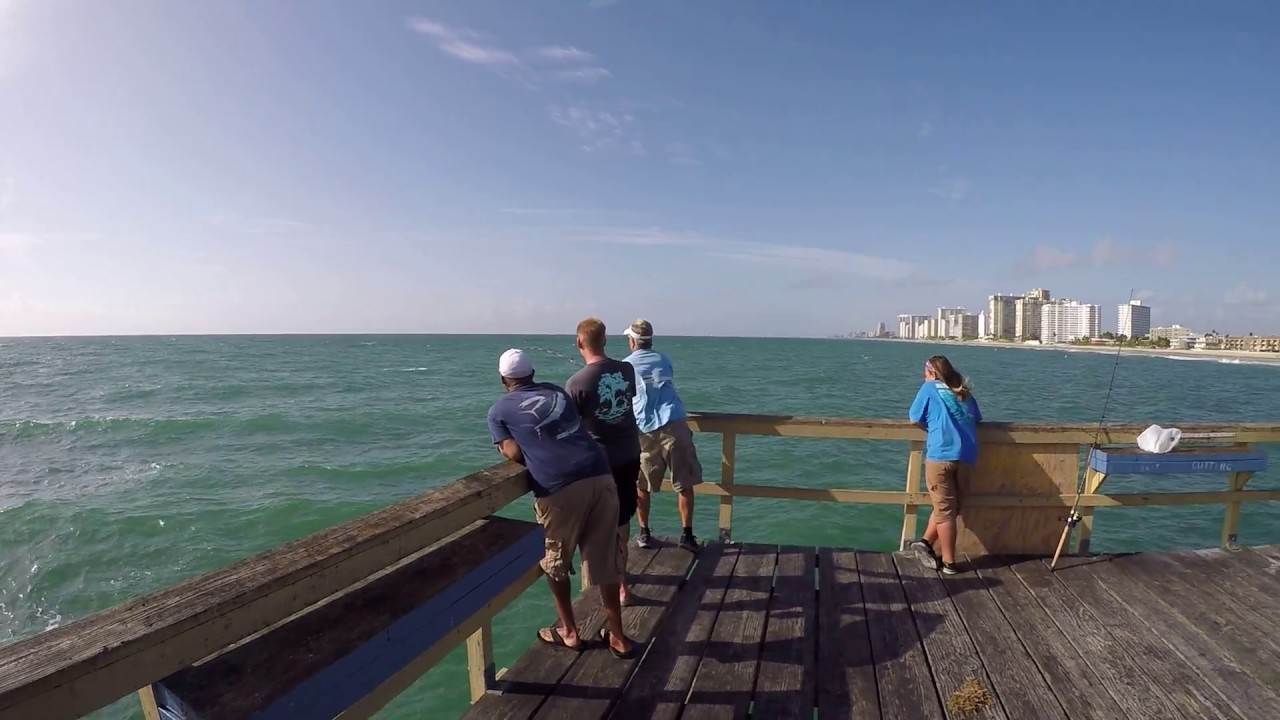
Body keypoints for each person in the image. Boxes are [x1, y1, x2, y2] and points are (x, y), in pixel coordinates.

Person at [486, 348, 634, 658]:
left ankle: (569, 632)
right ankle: (618, 636)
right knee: (606, 558)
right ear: (532, 374)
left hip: (559, 486)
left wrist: (507, 448)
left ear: (503, 380)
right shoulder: (556, 391)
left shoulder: (499, 411)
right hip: (600, 473)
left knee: (556, 563)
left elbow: (513, 452)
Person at [565, 318, 642, 606]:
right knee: (622, 521)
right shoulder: (626, 370)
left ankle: (601, 583)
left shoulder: (575, 383)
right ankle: (623, 585)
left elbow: (571, 427)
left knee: (599, 525)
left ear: (579, 343)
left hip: (599, 463)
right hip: (630, 455)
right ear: (606, 341)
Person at [623, 319, 702, 551]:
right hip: (674, 424)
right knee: (684, 483)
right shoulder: (664, 360)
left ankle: (644, 532)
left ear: (633, 342)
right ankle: (687, 535)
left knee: (642, 484)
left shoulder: (625, 365)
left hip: (643, 429)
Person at [907, 355, 982, 575]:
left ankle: (949, 562)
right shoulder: (963, 392)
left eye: (925, 373)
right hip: (966, 456)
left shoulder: (929, 388)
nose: (924, 377)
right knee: (951, 507)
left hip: (940, 456)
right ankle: (924, 543)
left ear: (932, 373)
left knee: (945, 510)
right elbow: (976, 418)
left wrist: (932, 428)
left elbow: (914, 417)